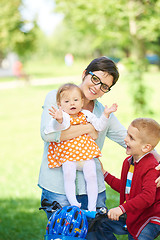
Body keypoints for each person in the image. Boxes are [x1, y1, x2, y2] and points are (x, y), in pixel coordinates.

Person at [38, 56, 160, 219]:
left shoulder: (102, 113)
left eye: (104, 86)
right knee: (63, 235)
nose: (97, 87)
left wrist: (158, 160)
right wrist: (88, 129)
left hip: (92, 188)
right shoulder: (57, 96)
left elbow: (133, 139)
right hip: (58, 187)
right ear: (84, 74)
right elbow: (49, 135)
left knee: (98, 235)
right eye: (95, 79)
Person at [44, 83, 118, 211]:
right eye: (67, 101)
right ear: (60, 105)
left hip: (86, 153)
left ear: (82, 102)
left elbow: (99, 126)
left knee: (92, 175)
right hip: (69, 155)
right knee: (69, 175)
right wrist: (58, 120)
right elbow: (55, 130)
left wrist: (105, 115)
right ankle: (73, 202)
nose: (72, 104)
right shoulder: (63, 116)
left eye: (76, 100)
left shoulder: (86, 114)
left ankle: (92, 206)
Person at [89, 118, 160, 240]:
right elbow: (126, 188)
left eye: (131, 138)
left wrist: (122, 208)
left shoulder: (151, 166)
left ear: (146, 147)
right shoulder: (128, 162)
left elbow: (148, 197)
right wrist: (104, 173)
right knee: (99, 225)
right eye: (127, 134)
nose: (125, 139)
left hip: (150, 217)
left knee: (138, 237)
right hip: (134, 212)